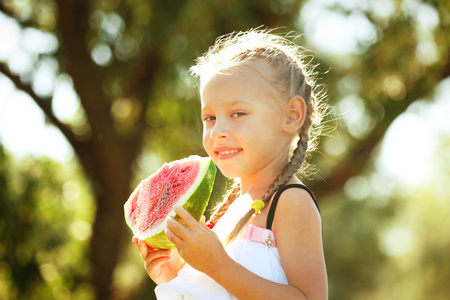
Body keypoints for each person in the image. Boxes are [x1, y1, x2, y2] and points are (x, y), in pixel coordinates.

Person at [132, 28, 329, 300]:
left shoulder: (290, 202)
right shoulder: (231, 208)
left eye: (238, 113)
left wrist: (217, 265)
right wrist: (178, 278)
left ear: (291, 115)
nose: (217, 132)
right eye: (209, 118)